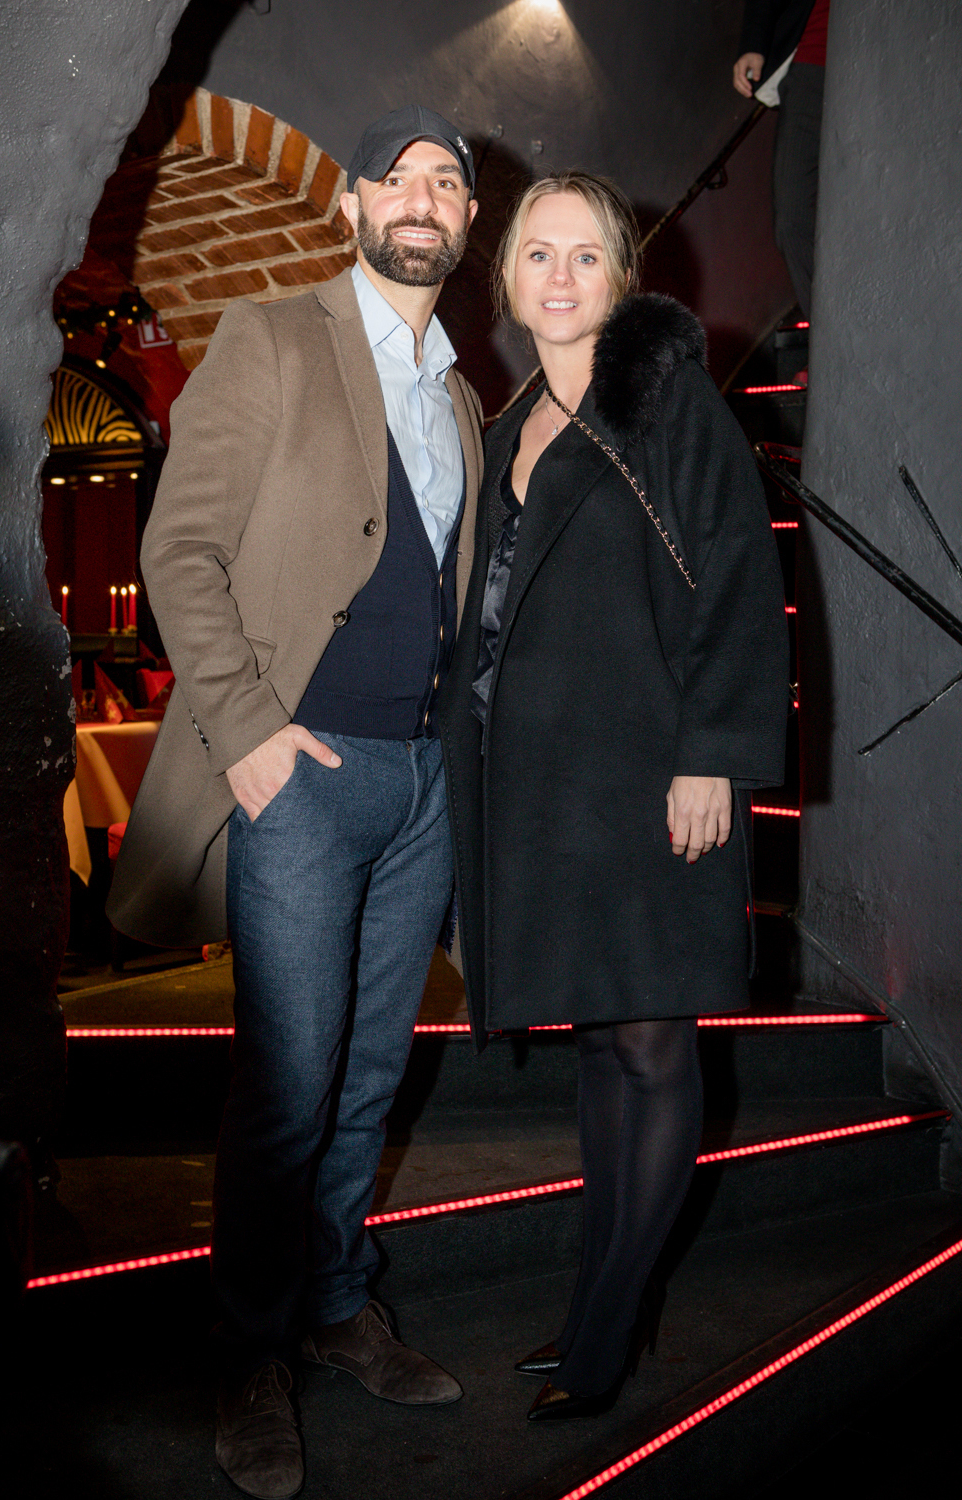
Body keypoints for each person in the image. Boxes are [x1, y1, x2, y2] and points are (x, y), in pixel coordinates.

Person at [108, 106, 483, 1498]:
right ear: (350, 205)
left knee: (372, 1073)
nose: (424, 196)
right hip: (302, 778)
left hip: (423, 785)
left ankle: (334, 1304)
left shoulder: (461, 396)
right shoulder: (271, 338)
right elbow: (179, 549)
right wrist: (252, 734)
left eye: (449, 181)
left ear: (468, 222)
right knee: (287, 1081)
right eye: (399, 175)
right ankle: (249, 1347)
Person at [439, 173, 789, 1421]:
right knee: (600, 1048)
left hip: (649, 780)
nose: (561, 277)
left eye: (586, 255)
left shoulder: (665, 396)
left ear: (622, 275)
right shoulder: (507, 422)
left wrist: (713, 755)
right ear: (506, 276)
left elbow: (736, 575)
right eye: (538, 253)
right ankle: (604, 1304)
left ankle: (604, 1335)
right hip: (544, 794)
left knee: (649, 1043)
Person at [733, 0, 830, 326]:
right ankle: (831, 337)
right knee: (792, 216)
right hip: (812, 63)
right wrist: (754, 41)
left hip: (887, 61)